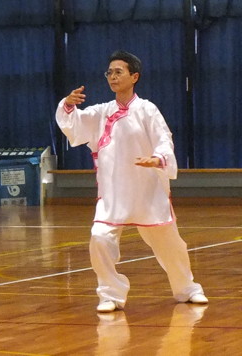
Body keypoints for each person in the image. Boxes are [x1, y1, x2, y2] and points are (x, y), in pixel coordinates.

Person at [55, 50, 207, 312]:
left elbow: (164, 139)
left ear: (134, 76)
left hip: (147, 191)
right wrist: (68, 104)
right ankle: (110, 294)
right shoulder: (102, 112)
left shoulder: (147, 110)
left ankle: (188, 288)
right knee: (100, 238)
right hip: (113, 194)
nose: (112, 77)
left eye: (118, 72)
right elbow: (74, 124)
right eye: (109, 72)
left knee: (171, 244)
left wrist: (158, 159)